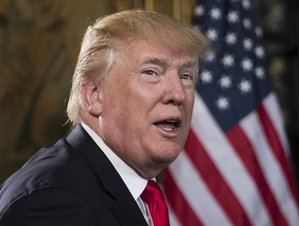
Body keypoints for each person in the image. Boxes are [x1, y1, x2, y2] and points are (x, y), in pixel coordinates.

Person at [0, 9, 209, 226]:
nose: (178, 94)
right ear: (94, 95)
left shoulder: (133, 192)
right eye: (151, 72)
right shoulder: (53, 203)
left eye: (186, 76)